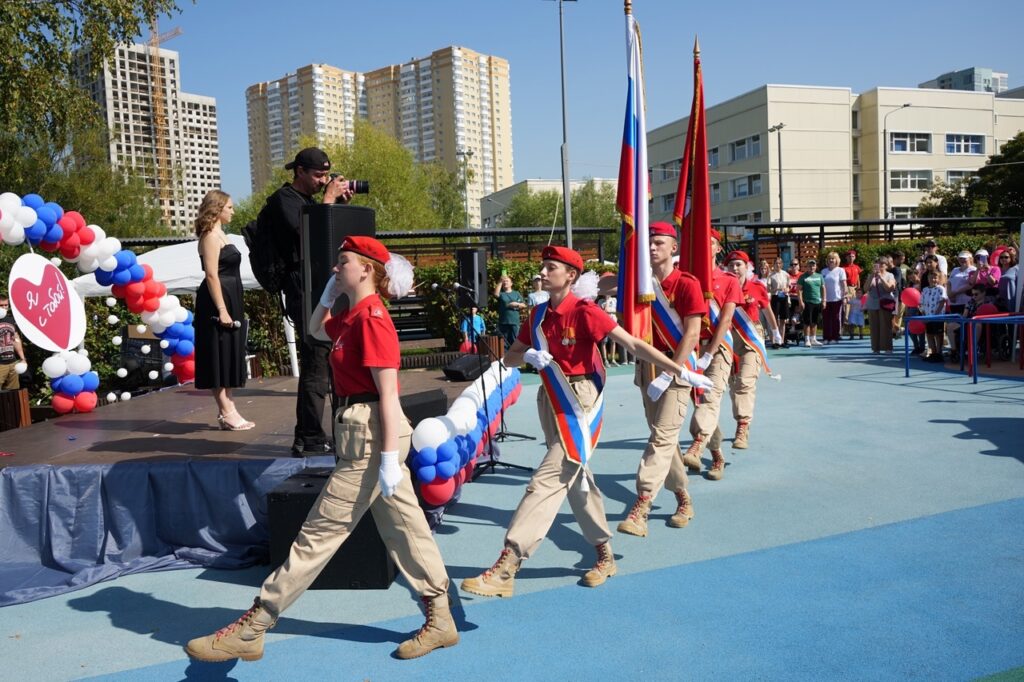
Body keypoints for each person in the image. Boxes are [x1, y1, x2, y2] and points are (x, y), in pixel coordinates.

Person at [185, 236, 458, 663]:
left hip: (373, 435)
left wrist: (388, 459)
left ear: (366, 269)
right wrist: (329, 297)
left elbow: (389, 395)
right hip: (362, 432)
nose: (335, 268)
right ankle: (440, 619)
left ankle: (256, 625)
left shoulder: (372, 320)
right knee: (406, 528)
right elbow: (315, 330)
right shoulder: (352, 316)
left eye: (343, 262)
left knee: (320, 532)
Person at [460, 245, 694, 597]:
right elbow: (509, 358)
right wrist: (529, 356)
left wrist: (678, 369)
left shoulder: (586, 311)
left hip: (580, 399)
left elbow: (632, 344)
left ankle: (508, 565)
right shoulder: (538, 315)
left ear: (570, 275)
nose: (542, 272)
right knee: (576, 479)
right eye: (543, 266)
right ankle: (604, 554)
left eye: (550, 267)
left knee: (548, 478)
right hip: (549, 397)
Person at [617, 222, 712, 538]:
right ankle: (683, 497)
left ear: (674, 247)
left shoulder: (686, 284)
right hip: (648, 370)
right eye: (649, 242)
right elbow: (610, 286)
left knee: (661, 437)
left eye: (659, 242)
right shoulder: (639, 282)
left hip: (677, 369)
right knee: (664, 440)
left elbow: (693, 333)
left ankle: (641, 505)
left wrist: (671, 372)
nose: (652, 247)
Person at [259, 147, 353, 457]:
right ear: (299, 171)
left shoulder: (312, 202)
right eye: (318, 175)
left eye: (326, 175)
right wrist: (327, 201)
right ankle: (309, 436)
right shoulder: (283, 200)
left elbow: (331, 239)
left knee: (334, 357)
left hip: (323, 288)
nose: (323, 180)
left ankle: (335, 430)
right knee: (316, 360)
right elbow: (308, 235)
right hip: (303, 289)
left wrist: (338, 205)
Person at [681, 229, 743, 481]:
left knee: (710, 396)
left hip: (718, 348)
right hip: (691, 348)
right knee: (701, 404)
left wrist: (710, 352)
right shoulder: (687, 279)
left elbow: (726, 319)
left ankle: (696, 445)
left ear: (718, 248)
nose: (706, 247)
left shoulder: (729, 280)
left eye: (711, 243)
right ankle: (717, 455)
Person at [192, 191, 253, 430]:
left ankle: (228, 409)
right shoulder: (209, 236)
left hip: (231, 296)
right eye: (229, 207)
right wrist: (222, 309)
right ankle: (227, 412)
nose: (233, 211)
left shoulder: (221, 234)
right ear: (217, 209)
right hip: (217, 300)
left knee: (228, 353)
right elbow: (211, 274)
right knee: (217, 354)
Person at [718, 250, 782, 452]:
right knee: (733, 384)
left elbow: (767, 310)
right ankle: (741, 419)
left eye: (739, 264)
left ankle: (743, 425)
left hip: (750, 339)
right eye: (731, 265)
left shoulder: (756, 287)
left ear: (747, 267)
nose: (735, 268)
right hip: (728, 339)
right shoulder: (722, 285)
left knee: (745, 382)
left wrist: (775, 331)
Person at [864, 257, 897, 354]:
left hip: (885, 304)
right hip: (872, 304)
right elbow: (865, 289)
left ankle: (887, 347)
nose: (880, 266)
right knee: (874, 327)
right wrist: (871, 276)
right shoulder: (871, 275)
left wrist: (881, 278)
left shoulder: (890, 275)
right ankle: (876, 348)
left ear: (886, 266)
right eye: (878, 263)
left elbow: (889, 288)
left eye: (882, 264)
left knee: (886, 327)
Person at [947, 251, 976, 359]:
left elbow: (971, 285)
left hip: (965, 303)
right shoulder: (955, 270)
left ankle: (964, 350)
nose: (962, 260)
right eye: (960, 258)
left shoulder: (973, 270)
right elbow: (949, 283)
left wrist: (955, 293)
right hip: (954, 303)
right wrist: (950, 294)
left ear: (970, 259)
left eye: (964, 258)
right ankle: (955, 350)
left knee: (962, 327)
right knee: (954, 327)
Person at [919, 269, 948, 363]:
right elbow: (921, 303)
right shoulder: (925, 290)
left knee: (938, 334)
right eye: (931, 277)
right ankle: (933, 352)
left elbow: (942, 302)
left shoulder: (941, 289)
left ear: (938, 279)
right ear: (928, 278)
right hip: (927, 316)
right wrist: (923, 315)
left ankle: (939, 353)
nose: (933, 279)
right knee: (929, 334)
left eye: (935, 277)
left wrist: (935, 315)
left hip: (937, 316)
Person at [0, 294, 27, 390]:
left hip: (12, 363)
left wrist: (22, 358)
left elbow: (16, 340)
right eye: (1, 305)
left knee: (13, 392)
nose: (4, 307)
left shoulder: (11, 320)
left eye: (6, 305)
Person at [796, 258, 825, 347]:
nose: (811, 267)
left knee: (815, 321)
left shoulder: (820, 276)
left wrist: (824, 300)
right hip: (807, 302)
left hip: (817, 302)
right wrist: (801, 302)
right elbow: (799, 290)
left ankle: (813, 339)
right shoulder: (803, 277)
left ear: (815, 267)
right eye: (810, 266)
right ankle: (807, 339)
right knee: (807, 322)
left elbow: (823, 288)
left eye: (813, 265)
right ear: (807, 267)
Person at [820, 252, 847, 344]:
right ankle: (826, 337)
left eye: (833, 258)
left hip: (837, 298)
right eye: (829, 259)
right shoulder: (823, 271)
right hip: (825, 299)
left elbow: (844, 285)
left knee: (836, 318)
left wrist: (844, 297)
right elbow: (821, 286)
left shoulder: (840, 270)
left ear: (837, 260)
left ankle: (835, 337)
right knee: (826, 319)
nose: (831, 260)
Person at [493, 274, 526, 349]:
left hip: (514, 321)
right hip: (503, 322)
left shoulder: (516, 293)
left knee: (515, 341)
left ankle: (514, 356)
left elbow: (524, 305)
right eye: (504, 281)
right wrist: (500, 281)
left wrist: (516, 304)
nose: (505, 282)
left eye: (507, 281)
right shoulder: (502, 294)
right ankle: (505, 356)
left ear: (511, 283)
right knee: (504, 343)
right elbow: (496, 294)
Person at [767, 258, 791, 348]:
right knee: (775, 319)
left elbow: (789, 286)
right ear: (773, 264)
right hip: (775, 297)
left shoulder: (786, 274)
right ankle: (775, 341)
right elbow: (768, 288)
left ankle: (782, 340)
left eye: (779, 263)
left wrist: (786, 289)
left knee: (783, 320)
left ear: (782, 264)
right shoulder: (771, 275)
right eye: (776, 263)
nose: (778, 265)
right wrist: (775, 289)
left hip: (784, 296)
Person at [841, 250, 862, 338]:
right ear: (846, 257)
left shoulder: (857, 267)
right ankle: (848, 331)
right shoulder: (843, 268)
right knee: (847, 309)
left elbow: (858, 278)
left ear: (855, 257)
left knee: (856, 309)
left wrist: (859, 289)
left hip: (855, 289)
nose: (851, 258)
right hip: (848, 288)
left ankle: (855, 330)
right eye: (849, 256)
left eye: (853, 256)